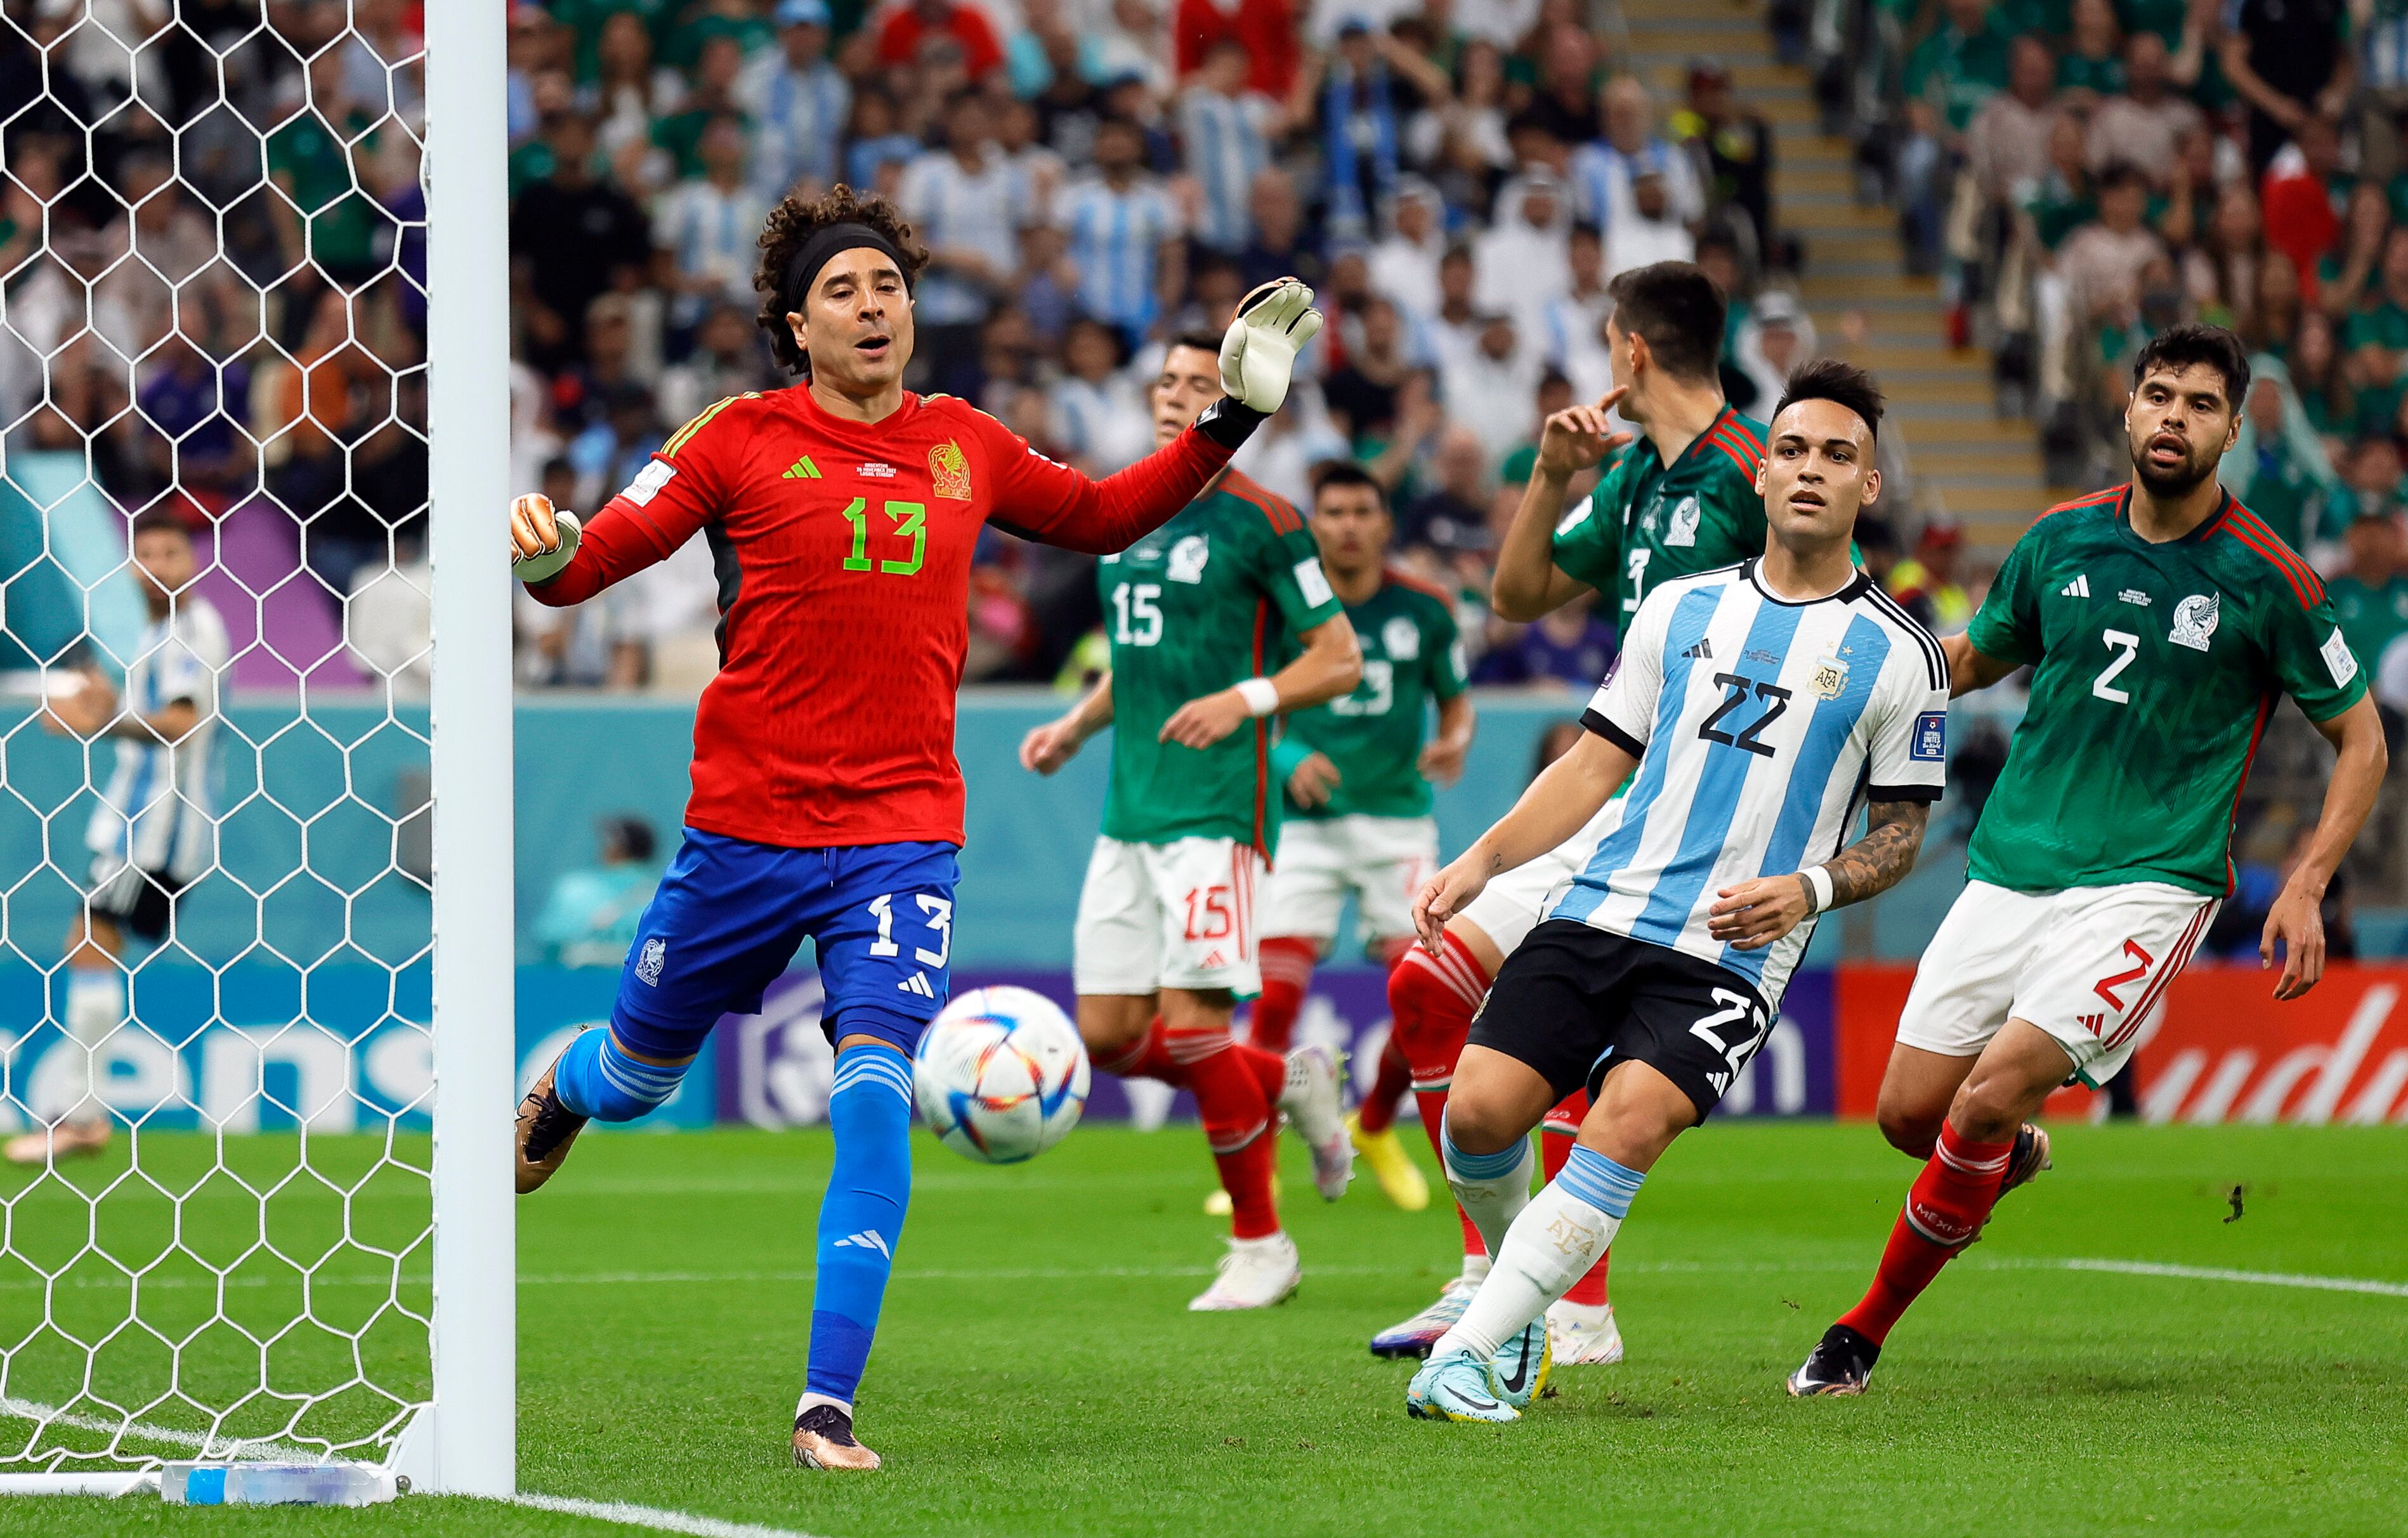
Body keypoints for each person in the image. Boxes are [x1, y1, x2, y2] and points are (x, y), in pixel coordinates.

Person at [505, 184, 1321, 1471]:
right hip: (745, 830)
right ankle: (566, 1091)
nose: (873, 306)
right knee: (637, 1073)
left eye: (887, 285)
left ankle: (825, 1404)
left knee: (875, 1087)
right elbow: (595, 559)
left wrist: (1233, 416)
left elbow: (1105, 515)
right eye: (843, 290)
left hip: (899, 831)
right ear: (792, 323)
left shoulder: (965, 442)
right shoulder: (736, 437)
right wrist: (544, 556)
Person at [1789, 324, 2389, 1397]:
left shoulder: (2269, 579)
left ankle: (1859, 1334)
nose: (2173, 417)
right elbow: (1974, 654)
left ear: (2234, 431)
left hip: (2151, 883)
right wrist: (1868, 696)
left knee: (1980, 1103)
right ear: (2125, 412)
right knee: (1908, 1120)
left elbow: (2363, 739)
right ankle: (2009, 1158)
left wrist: (2303, 881)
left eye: (2200, 404)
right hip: (2014, 864)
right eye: (2157, 395)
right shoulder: (2060, 541)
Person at [1405, 360, 1946, 1422]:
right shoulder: (1677, 607)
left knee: (1625, 1122)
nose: (1809, 470)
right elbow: (1595, 762)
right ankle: (1514, 1312)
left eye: (1837, 456)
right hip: (1602, 906)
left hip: (1730, 954)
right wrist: (1482, 861)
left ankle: (1466, 1356)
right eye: (1791, 449)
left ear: (1868, 488)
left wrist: (1811, 888)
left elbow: (1900, 835)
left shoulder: (1900, 653)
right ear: (1761, 471)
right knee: (1475, 1116)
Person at [1371, 261, 1769, 1367]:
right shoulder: (1638, 471)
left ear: (1631, 350)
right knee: (1427, 983)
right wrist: (1550, 479)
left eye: (1607, 343)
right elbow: (1518, 595)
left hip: (1705, 821)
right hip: (1615, 787)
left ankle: (1566, 1309)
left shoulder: (1751, 473)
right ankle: (1493, 1284)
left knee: (1590, 1057)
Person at [1017, 330, 1361, 1313]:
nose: (1178, 397)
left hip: (1218, 806)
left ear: (1238, 402)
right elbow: (1137, 652)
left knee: (1195, 1024)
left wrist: (1247, 700)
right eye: (1166, 382)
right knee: (1114, 1035)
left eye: (1200, 385)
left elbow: (1336, 658)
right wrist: (1078, 727)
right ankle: (1292, 1080)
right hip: (1131, 805)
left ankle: (1262, 1245)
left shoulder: (1266, 521)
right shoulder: (1128, 516)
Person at [1247, 462, 1476, 1213]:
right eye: (1333, 511)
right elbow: (1251, 706)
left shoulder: (1428, 609)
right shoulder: (1284, 612)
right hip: (1305, 827)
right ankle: (1259, 1158)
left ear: (1384, 523)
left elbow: (1455, 707)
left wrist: (1454, 741)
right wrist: (1283, 755)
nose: (1347, 525)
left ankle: (1374, 1124)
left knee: (1427, 995)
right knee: (1274, 1002)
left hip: (1395, 823)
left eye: (1360, 511)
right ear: (1314, 524)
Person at [6, 511, 226, 1166]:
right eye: (146, 553)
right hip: (133, 820)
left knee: (89, 942)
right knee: (92, 944)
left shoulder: (194, 629)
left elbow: (181, 724)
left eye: (170, 553)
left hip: (157, 825)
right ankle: (81, 1112)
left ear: (193, 562)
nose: (156, 565)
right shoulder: (155, 632)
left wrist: (100, 722)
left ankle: (82, 1114)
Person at [532, 816, 664, 969]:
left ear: (614, 848)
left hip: (578, 985)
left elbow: (549, 939)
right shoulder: (665, 896)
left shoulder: (575, 890)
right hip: (643, 988)